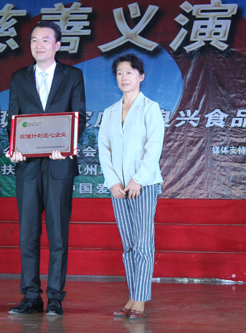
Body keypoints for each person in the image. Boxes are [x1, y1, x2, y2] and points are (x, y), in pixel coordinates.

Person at [7, 21, 86, 316]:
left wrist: (64, 146)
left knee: (57, 236)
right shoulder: (18, 77)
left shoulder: (73, 76)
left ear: (57, 45)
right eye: (34, 40)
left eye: (45, 40)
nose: (38, 45)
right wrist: (15, 147)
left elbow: (79, 117)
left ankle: (54, 297)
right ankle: (31, 296)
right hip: (27, 166)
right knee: (27, 235)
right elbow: (13, 119)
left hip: (59, 165)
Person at [97, 54, 164, 319]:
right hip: (118, 189)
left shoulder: (150, 108)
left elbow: (154, 147)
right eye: (119, 73)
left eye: (129, 72)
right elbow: (104, 150)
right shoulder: (110, 112)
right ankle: (133, 295)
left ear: (141, 76)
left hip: (143, 186)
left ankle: (140, 300)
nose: (124, 77)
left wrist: (139, 179)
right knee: (128, 246)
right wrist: (112, 182)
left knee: (143, 244)